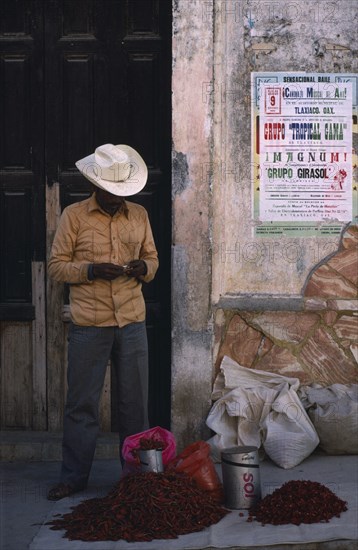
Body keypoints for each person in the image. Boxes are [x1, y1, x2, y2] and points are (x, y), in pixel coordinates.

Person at [47, 144, 159, 500]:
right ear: (96, 186)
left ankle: (135, 478)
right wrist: (91, 270)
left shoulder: (139, 215)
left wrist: (144, 269)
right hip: (89, 325)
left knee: (134, 406)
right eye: (111, 194)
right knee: (82, 405)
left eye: (121, 193)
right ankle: (74, 477)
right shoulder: (74, 216)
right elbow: (56, 267)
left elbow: (152, 258)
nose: (116, 199)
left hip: (132, 322)